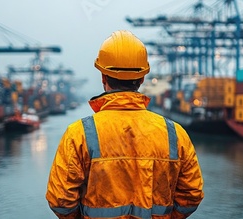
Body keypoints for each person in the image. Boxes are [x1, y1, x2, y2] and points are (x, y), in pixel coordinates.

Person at [46, 30, 204, 219]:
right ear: (143, 78)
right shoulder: (175, 134)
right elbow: (192, 195)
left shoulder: (79, 134)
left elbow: (60, 200)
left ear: (103, 77)